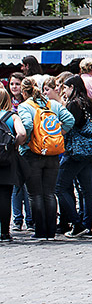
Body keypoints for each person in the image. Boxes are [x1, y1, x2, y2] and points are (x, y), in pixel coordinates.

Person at [17, 76, 75, 240]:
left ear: (23, 92)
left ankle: (40, 231)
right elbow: (69, 120)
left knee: (35, 194)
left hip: (33, 154)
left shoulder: (25, 106)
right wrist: (57, 135)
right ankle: (51, 230)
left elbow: (27, 125)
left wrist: (28, 141)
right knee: (49, 193)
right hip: (53, 153)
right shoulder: (53, 104)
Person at [55, 75, 92, 237]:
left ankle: (77, 223)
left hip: (75, 151)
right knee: (86, 190)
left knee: (59, 187)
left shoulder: (73, 104)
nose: (64, 90)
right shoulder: (88, 102)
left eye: (65, 87)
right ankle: (87, 226)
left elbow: (68, 125)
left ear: (73, 87)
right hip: (89, 151)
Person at [1, 86, 28, 242]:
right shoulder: (12, 116)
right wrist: (15, 145)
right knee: (5, 194)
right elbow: (22, 133)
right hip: (7, 158)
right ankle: (5, 232)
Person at [7, 73, 31, 233]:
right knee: (16, 187)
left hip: (26, 148)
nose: (14, 87)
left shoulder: (26, 105)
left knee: (28, 186)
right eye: (12, 84)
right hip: (13, 150)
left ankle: (30, 220)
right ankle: (17, 220)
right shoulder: (7, 104)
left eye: (17, 84)